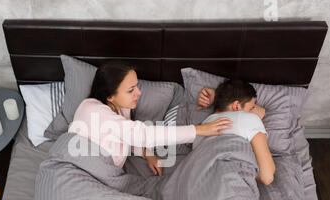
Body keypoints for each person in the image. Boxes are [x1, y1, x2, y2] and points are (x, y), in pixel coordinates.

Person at [68, 62, 233, 176]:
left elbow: (123, 136)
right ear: (110, 96)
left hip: (103, 176)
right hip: (78, 170)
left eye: (137, 87)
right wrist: (199, 130)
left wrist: (147, 153)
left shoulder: (120, 108)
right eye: (131, 90)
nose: (138, 93)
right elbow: (141, 134)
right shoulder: (92, 110)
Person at [199, 79, 275, 185]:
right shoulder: (249, 118)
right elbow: (266, 176)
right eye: (251, 108)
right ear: (236, 106)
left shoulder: (202, 127)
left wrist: (219, 97)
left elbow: (259, 111)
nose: (253, 111)